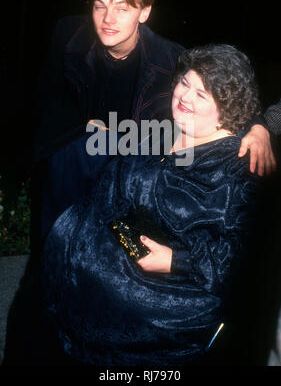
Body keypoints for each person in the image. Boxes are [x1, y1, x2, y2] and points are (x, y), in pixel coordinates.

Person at [39, 44, 262, 367]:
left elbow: (246, 263)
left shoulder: (239, 170)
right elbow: (115, 180)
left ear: (226, 108)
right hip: (119, 247)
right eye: (185, 83)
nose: (185, 97)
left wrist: (177, 261)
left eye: (202, 94)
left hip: (171, 293)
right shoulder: (162, 130)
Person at [33, 0, 274, 245]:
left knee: (106, 244)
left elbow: (223, 93)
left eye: (122, 9)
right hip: (73, 145)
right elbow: (45, 94)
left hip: (131, 153)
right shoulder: (68, 34)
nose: (108, 18)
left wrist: (259, 127)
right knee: (54, 238)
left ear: (144, 12)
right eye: (100, 6)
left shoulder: (170, 57)